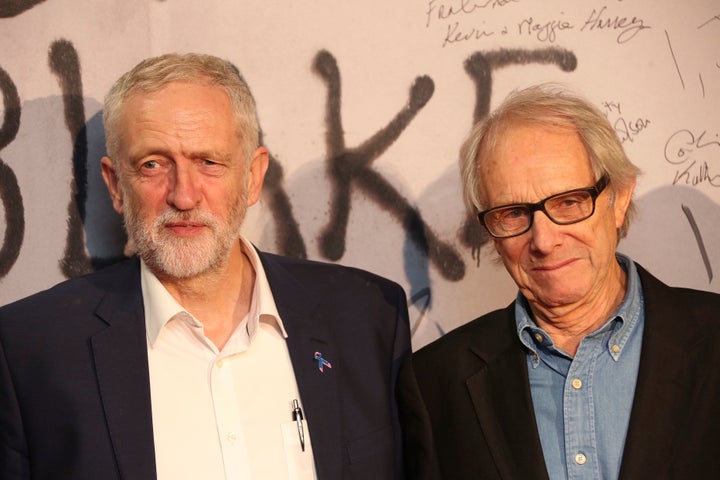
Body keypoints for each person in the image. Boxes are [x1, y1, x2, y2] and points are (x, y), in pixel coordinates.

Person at [0, 53, 411, 480]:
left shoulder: (368, 318)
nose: (183, 195)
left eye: (208, 163)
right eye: (152, 164)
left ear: (253, 177)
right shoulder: (31, 350)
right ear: (115, 185)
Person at [397, 84, 720, 479]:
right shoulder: (434, 384)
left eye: (569, 202)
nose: (545, 241)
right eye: (513, 213)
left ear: (619, 199)